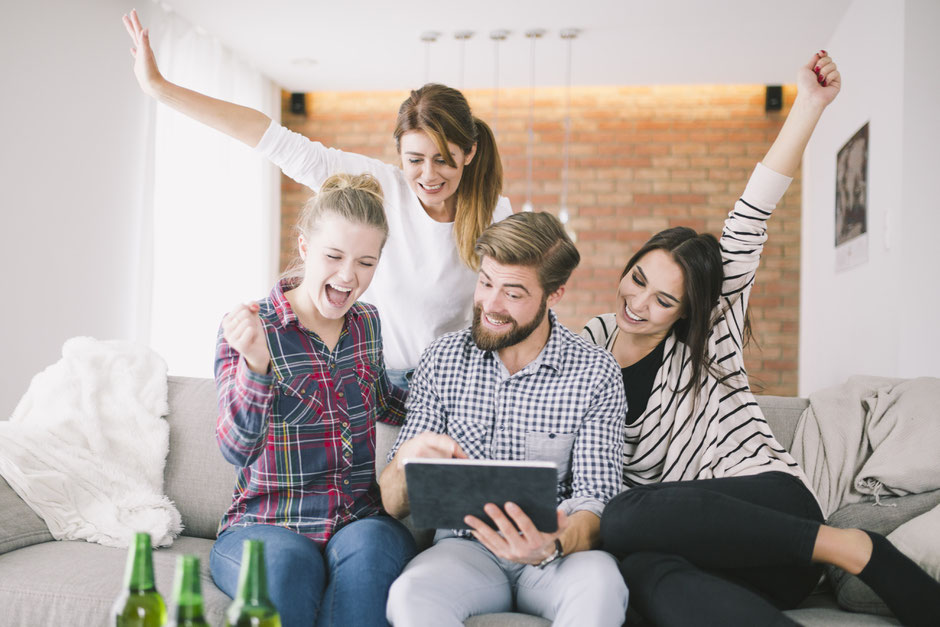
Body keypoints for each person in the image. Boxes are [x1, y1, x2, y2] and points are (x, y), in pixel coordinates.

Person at [583, 53, 940, 627]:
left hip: (777, 516)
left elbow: (752, 214)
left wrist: (809, 105)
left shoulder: (709, 338)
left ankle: (854, 548)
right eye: (638, 279)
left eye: (665, 301)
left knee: (622, 518)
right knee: (643, 569)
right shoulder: (587, 350)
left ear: (688, 313)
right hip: (721, 560)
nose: (640, 303)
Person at [123, 9, 511, 390]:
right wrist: (160, 88)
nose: (428, 175)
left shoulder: (496, 214)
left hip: (451, 387)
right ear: (399, 154)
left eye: (443, 160)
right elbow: (268, 136)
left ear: (470, 152)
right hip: (375, 384)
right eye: (415, 160)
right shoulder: (380, 186)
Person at [379, 211, 629, 626]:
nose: (490, 305)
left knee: (603, 586)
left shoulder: (596, 372)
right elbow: (393, 502)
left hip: (555, 557)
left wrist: (552, 544)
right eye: (486, 282)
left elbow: (597, 502)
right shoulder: (442, 359)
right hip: (465, 551)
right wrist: (407, 456)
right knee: (410, 595)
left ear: (555, 294)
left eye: (513, 293)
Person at [212, 173, 416, 627]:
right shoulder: (250, 325)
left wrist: (452, 398)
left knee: (371, 559)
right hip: (266, 523)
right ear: (305, 248)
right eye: (334, 256)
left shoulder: (367, 323)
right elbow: (235, 448)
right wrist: (257, 368)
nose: (348, 276)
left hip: (358, 520)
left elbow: (384, 399)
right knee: (288, 567)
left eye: (366, 262)